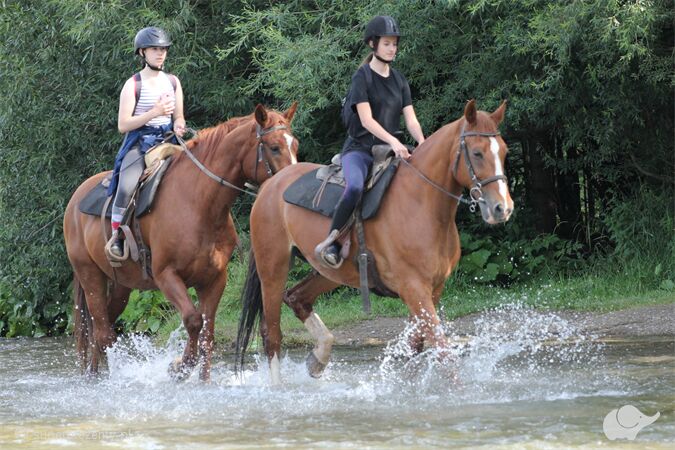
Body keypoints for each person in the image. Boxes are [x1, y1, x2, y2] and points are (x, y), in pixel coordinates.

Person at [315, 15, 425, 268]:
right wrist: (394, 142)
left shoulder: (400, 80)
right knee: (354, 187)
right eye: (387, 43)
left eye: (395, 44)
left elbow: (411, 120)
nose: (392, 48)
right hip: (361, 150)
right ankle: (332, 242)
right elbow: (366, 120)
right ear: (372, 44)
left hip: (391, 150)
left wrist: (421, 142)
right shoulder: (361, 78)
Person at [107, 26, 186, 257]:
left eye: (163, 49)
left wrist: (179, 124)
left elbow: (178, 115)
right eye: (154, 49)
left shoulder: (173, 82)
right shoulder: (133, 85)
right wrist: (154, 111)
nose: (160, 53)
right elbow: (123, 125)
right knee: (127, 184)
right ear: (142, 52)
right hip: (140, 142)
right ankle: (117, 236)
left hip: (169, 140)